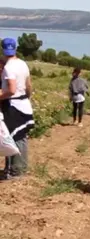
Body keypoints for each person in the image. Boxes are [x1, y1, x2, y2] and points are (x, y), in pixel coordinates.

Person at [0, 38, 35, 180]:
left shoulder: (8, 67)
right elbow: (28, 86)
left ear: (3, 50)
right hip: (24, 104)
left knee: (11, 137)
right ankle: (20, 168)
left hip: (13, 105)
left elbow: (12, 90)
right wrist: (27, 98)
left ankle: (15, 171)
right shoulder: (23, 64)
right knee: (21, 137)